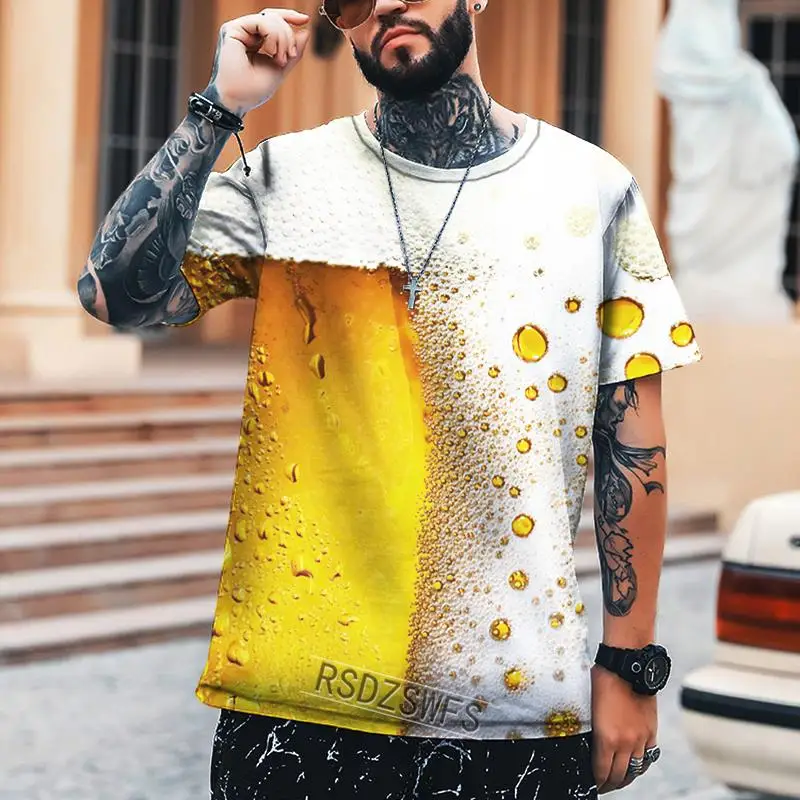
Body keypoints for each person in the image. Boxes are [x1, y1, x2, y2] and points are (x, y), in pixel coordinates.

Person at [78, 2, 703, 797]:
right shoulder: (286, 177)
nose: (387, 6)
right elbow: (117, 294)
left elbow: (633, 440)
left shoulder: (594, 190)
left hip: (512, 711)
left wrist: (631, 661)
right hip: (297, 710)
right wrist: (218, 108)